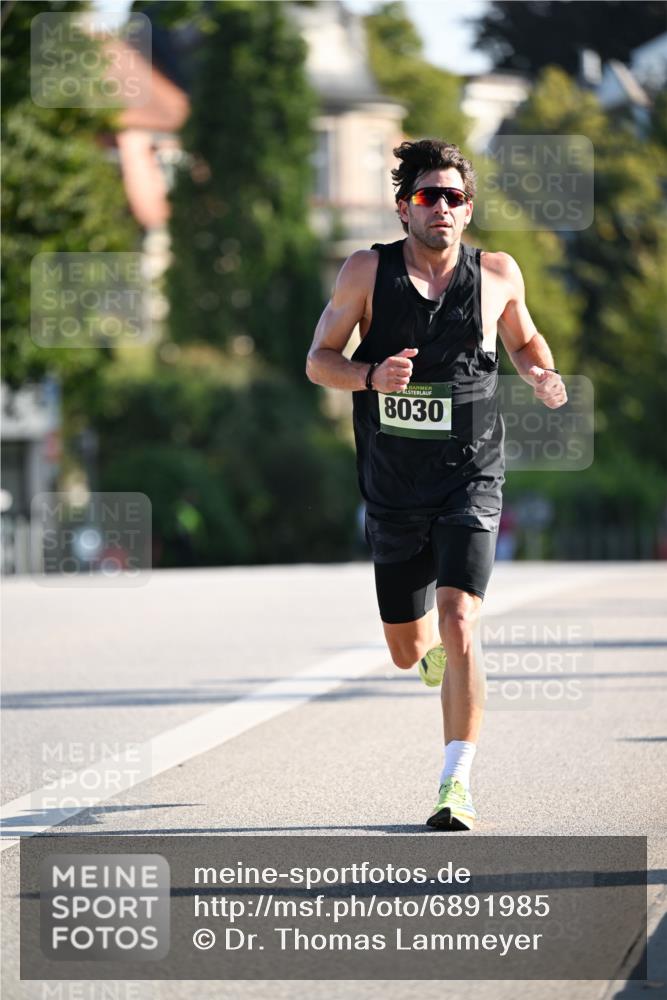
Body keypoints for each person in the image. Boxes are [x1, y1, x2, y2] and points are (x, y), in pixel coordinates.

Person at [306, 139, 567, 831]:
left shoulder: (499, 273)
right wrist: (368, 376)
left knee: (458, 620)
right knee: (405, 649)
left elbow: (524, 340)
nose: (442, 207)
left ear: (467, 208)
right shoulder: (366, 272)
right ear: (403, 209)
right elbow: (317, 361)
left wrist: (541, 373)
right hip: (392, 487)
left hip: (470, 478)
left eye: (454, 197)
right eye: (428, 196)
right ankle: (426, 656)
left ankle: (455, 784)